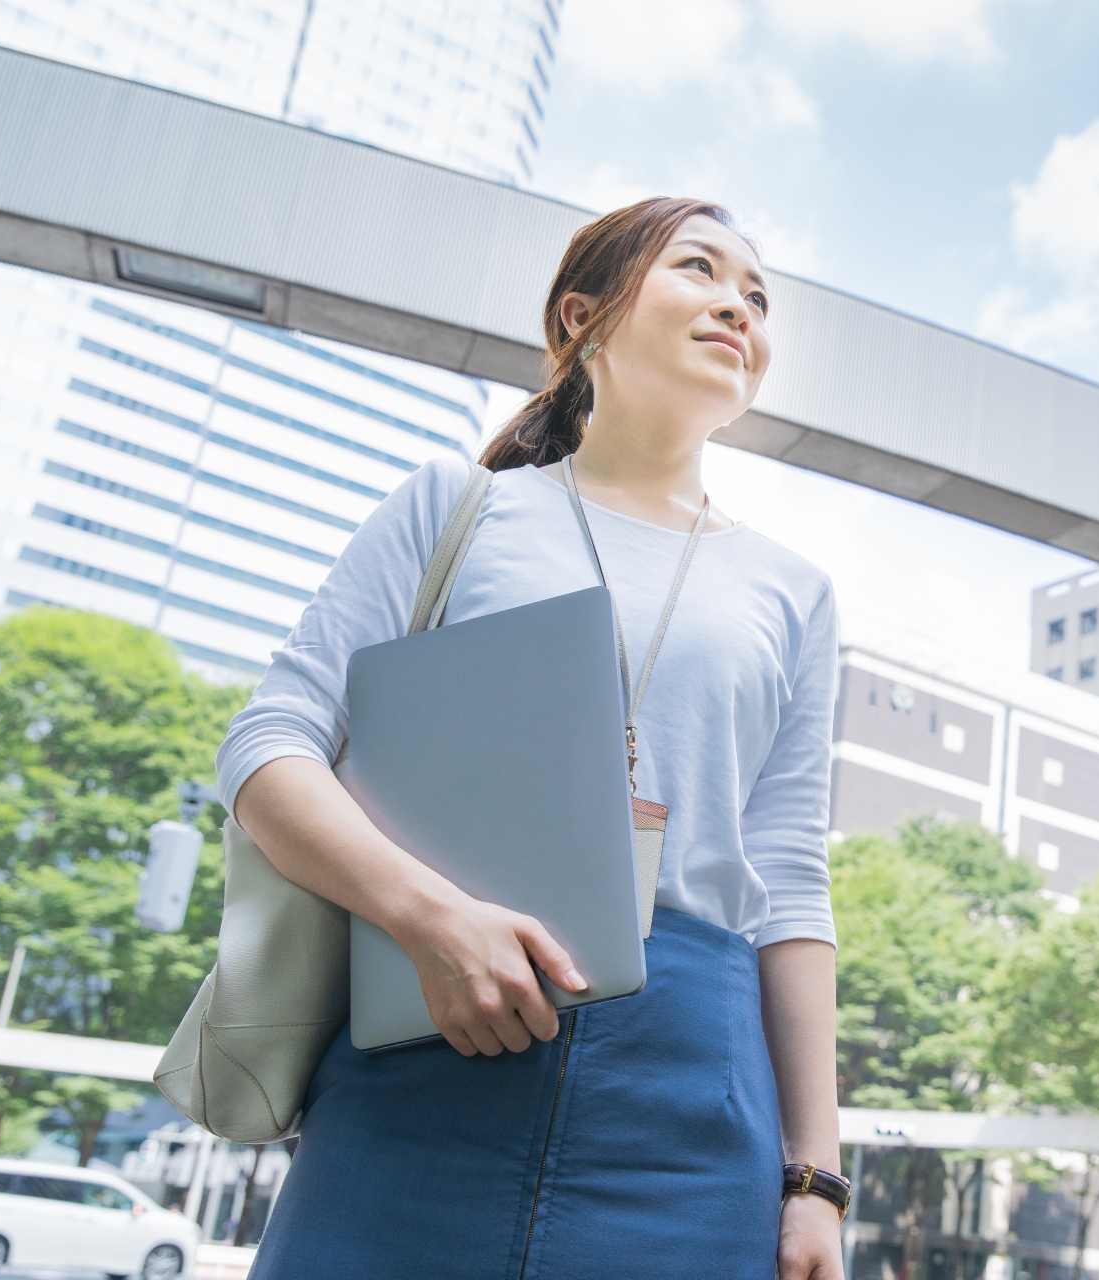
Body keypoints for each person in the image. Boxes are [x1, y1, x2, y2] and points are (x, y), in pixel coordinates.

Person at [215, 198, 845, 1279]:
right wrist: (425, 913)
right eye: (699, 269)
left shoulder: (795, 590)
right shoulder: (456, 510)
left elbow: (789, 880)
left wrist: (815, 1177)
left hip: (693, 1092)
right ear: (583, 318)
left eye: (758, 295)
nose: (738, 303)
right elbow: (270, 744)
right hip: (425, 1041)